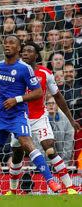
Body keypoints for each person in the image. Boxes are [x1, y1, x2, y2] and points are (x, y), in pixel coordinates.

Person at [0, 36, 61, 193]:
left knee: (27, 143)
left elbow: (38, 92)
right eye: (6, 42)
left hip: (17, 116)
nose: (7, 45)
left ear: (18, 49)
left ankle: (51, 181)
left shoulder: (25, 68)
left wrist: (17, 99)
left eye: (12, 43)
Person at [6, 42, 80, 195]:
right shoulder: (13, 71)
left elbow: (58, 96)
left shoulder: (45, 73)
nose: (25, 53)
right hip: (19, 118)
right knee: (17, 154)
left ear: (36, 55)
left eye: (29, 51)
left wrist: (71, 120)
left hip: (39, 117)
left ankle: (70, 187)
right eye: (24, 51)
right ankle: (12, 190)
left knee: (50, 148)